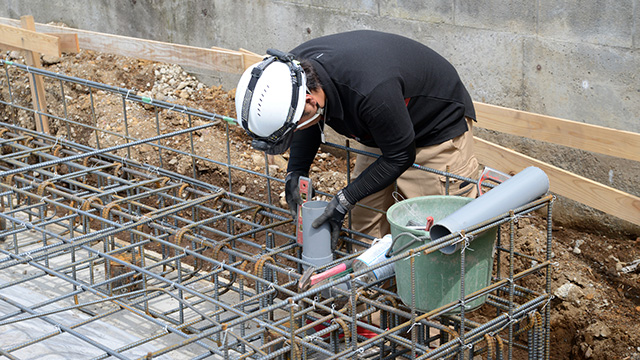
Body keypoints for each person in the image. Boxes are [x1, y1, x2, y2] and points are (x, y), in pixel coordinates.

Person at [235, 30, 478, 249]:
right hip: (382, 129)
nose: (297, 128)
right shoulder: (295, 74)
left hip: (433, 133)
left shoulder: (370, 90)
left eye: (295, 124)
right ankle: (370, 287)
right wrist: (295, 172)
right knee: (362, 221)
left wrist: (345, 198)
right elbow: (305, 121)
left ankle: (419, 292)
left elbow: (401, 155)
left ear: (309, 101)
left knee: (429, 235)